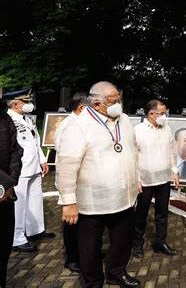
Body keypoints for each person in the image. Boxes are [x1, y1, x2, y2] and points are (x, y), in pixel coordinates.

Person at [55, 81, 140, 287]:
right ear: (96, 104)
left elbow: (133, 151)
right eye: (112, 101)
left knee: (122, 240)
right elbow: (66, 165)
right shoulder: (78, 125)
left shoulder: (125, 120)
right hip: (92, 202)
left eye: (118, 99)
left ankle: (116, 272)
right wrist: (69, 202)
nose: (117, 104)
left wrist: (137, 179)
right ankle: (93, 281)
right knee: (90, 247)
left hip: (124, 196)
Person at [5, 88, 55, 253]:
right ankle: (17, 238)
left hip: (33, 166)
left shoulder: (27, 118)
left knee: (35, 198)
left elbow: (35, 140)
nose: (29, 104)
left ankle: (35, 230)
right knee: (19, 204)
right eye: (26, 101)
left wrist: (42, 160)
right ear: (16, 104)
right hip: (19, 169)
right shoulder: (7, 120)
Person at [132, 100, 180, 258]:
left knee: (162, 213)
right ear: (151, 113)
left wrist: (175, 171)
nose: (164, 116)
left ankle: (160, 242)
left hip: (164, 178)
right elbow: (132, 157)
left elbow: (171, 151)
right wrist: (136, 179)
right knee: (141, 213)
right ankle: (137, 243)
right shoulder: (137, 131)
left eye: (165, 113)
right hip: (145, 180)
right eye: (162, 113)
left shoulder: (166, 129)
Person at [53, 92, 88, 273]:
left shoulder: (80, 123)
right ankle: (72, 258)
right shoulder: (69, 125)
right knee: (72, 222)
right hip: (71, 181)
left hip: (82, 181)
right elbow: (65, 157)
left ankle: (82, 254)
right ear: (82, 108)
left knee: (82, 222)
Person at [0, 111, 23, 288]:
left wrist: (10, 183)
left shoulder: (4, 116)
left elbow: (15, 150)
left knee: (4, 243)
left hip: (5, 195)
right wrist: (4, 182)